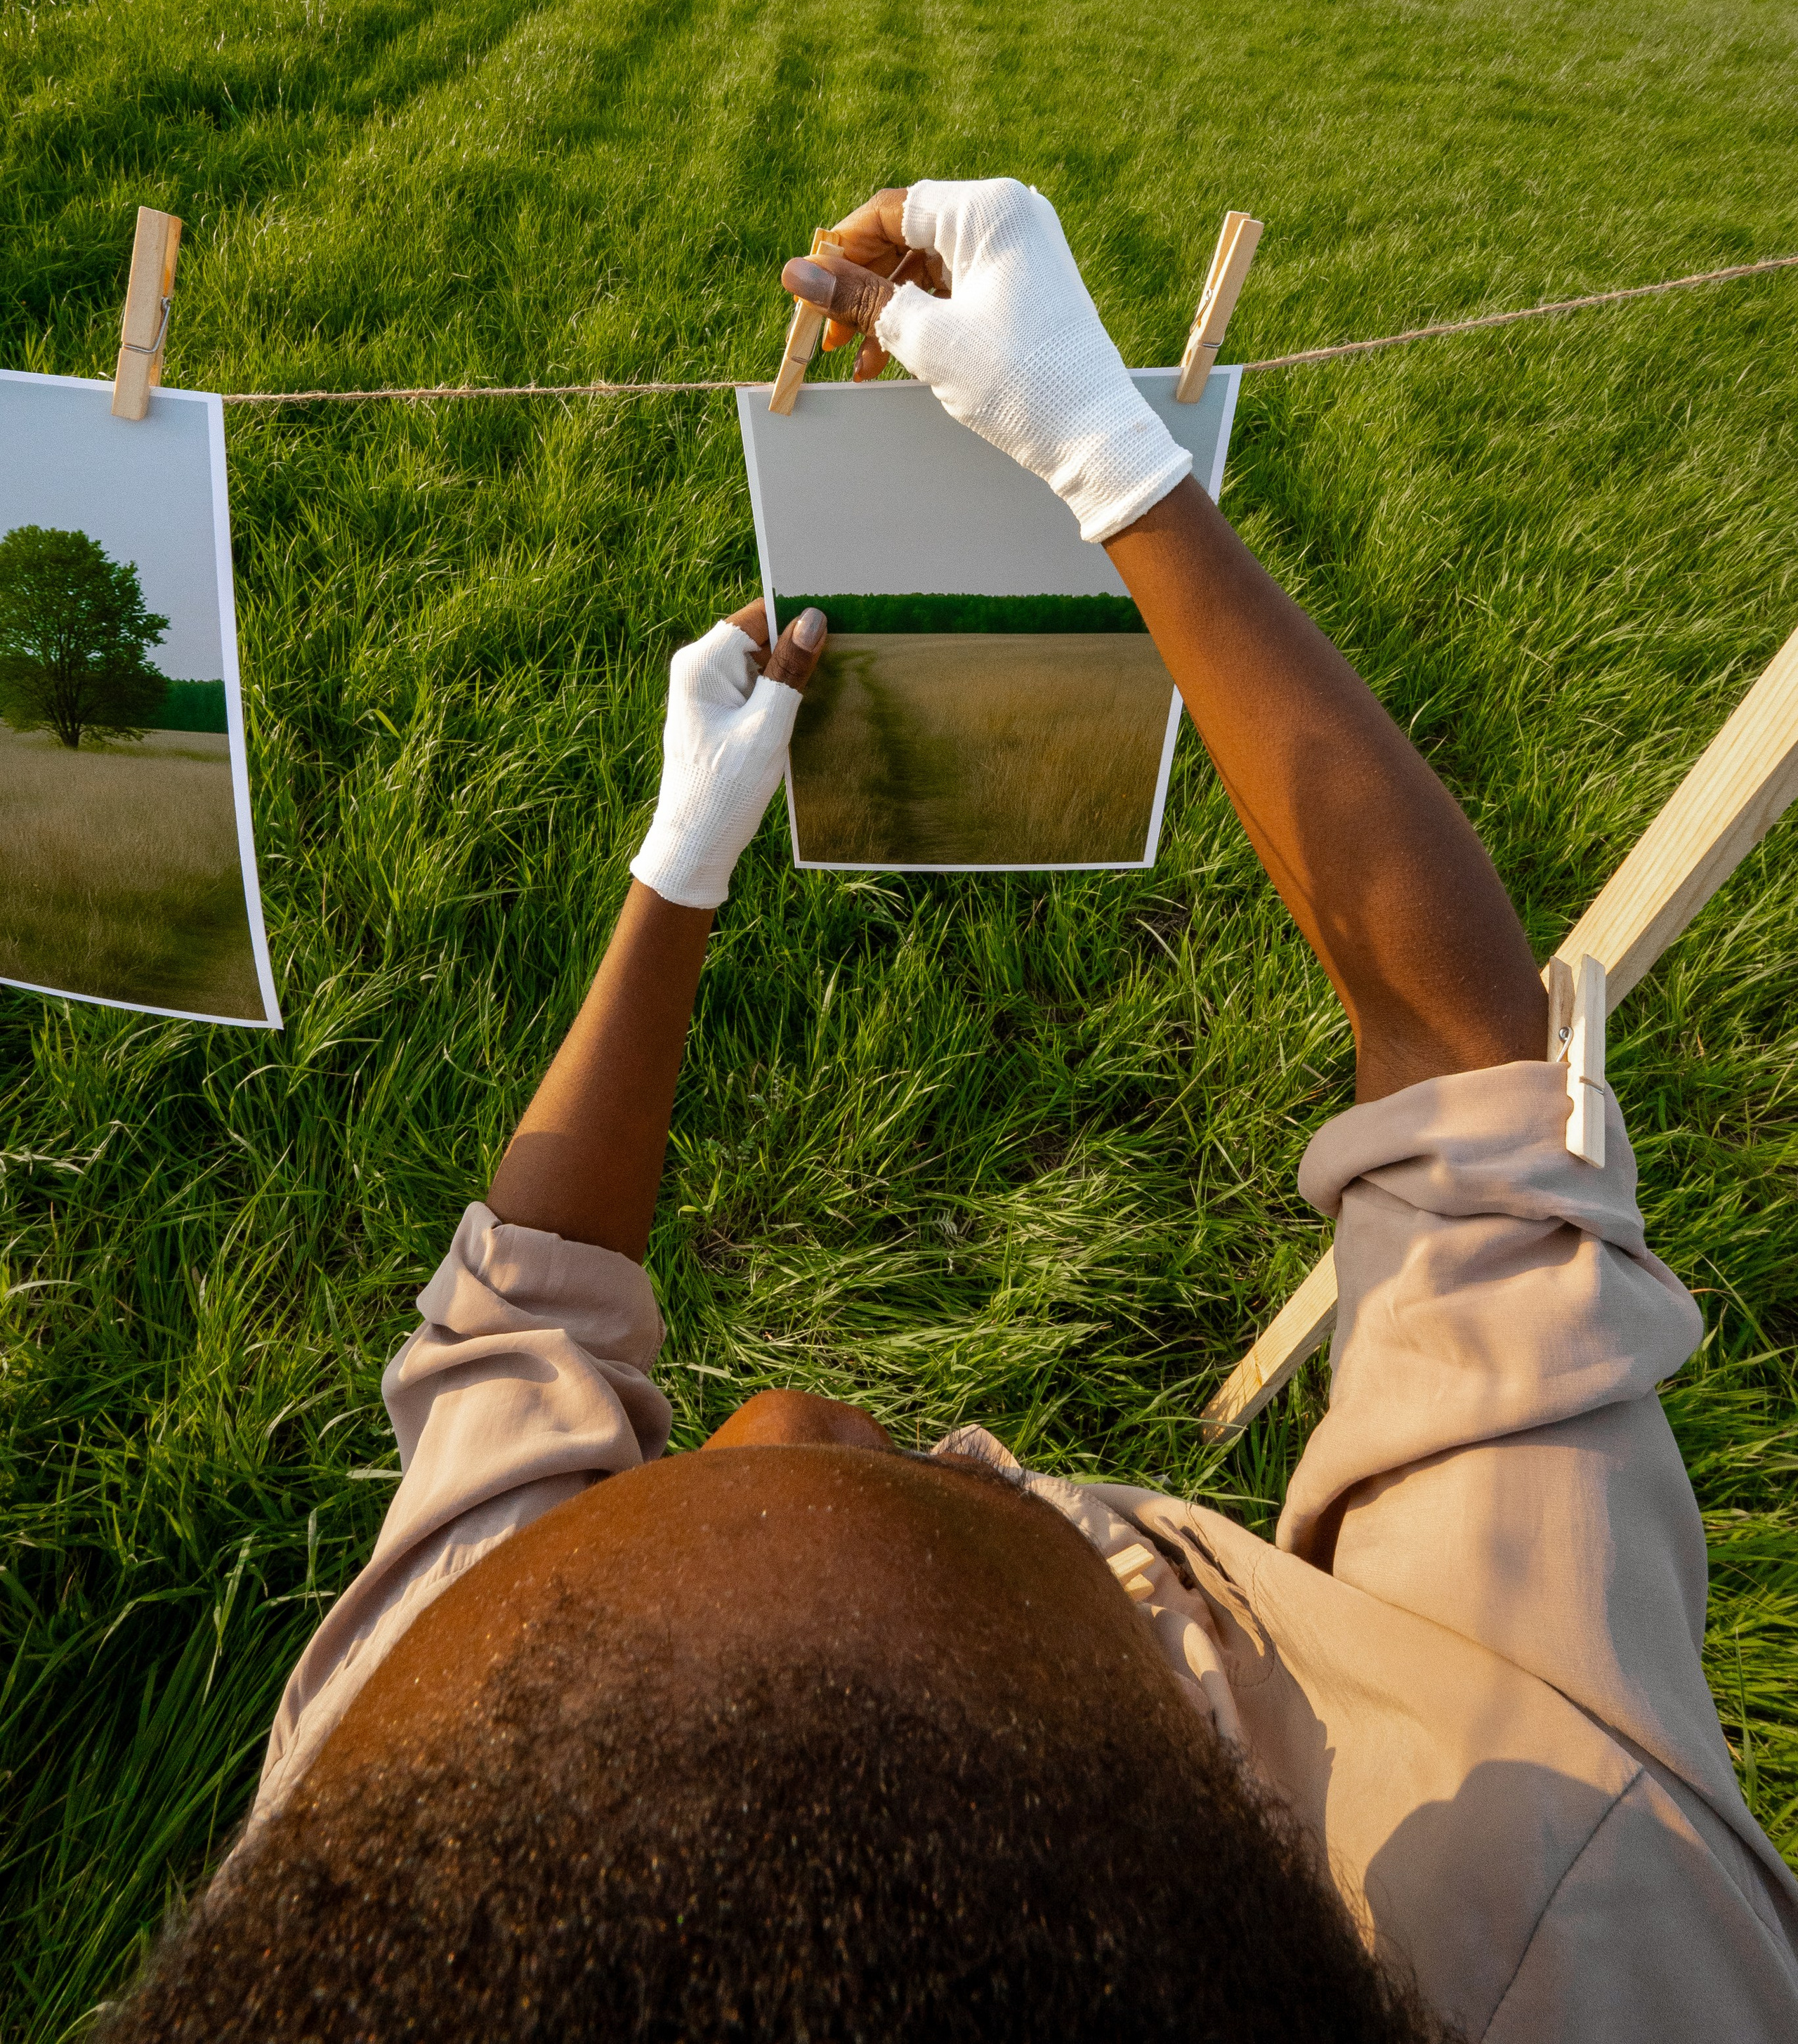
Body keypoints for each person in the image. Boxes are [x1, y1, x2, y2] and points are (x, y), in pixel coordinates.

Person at [106, 181, 1798, 2044]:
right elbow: (1464, 1048)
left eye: (685, 1486)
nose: (805, 1410)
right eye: (959, 1492)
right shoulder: (1566, 1908)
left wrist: (678, 864)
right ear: (1231, 1817)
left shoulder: (400, 1780)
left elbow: (520, 1315)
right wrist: (1112, 459)